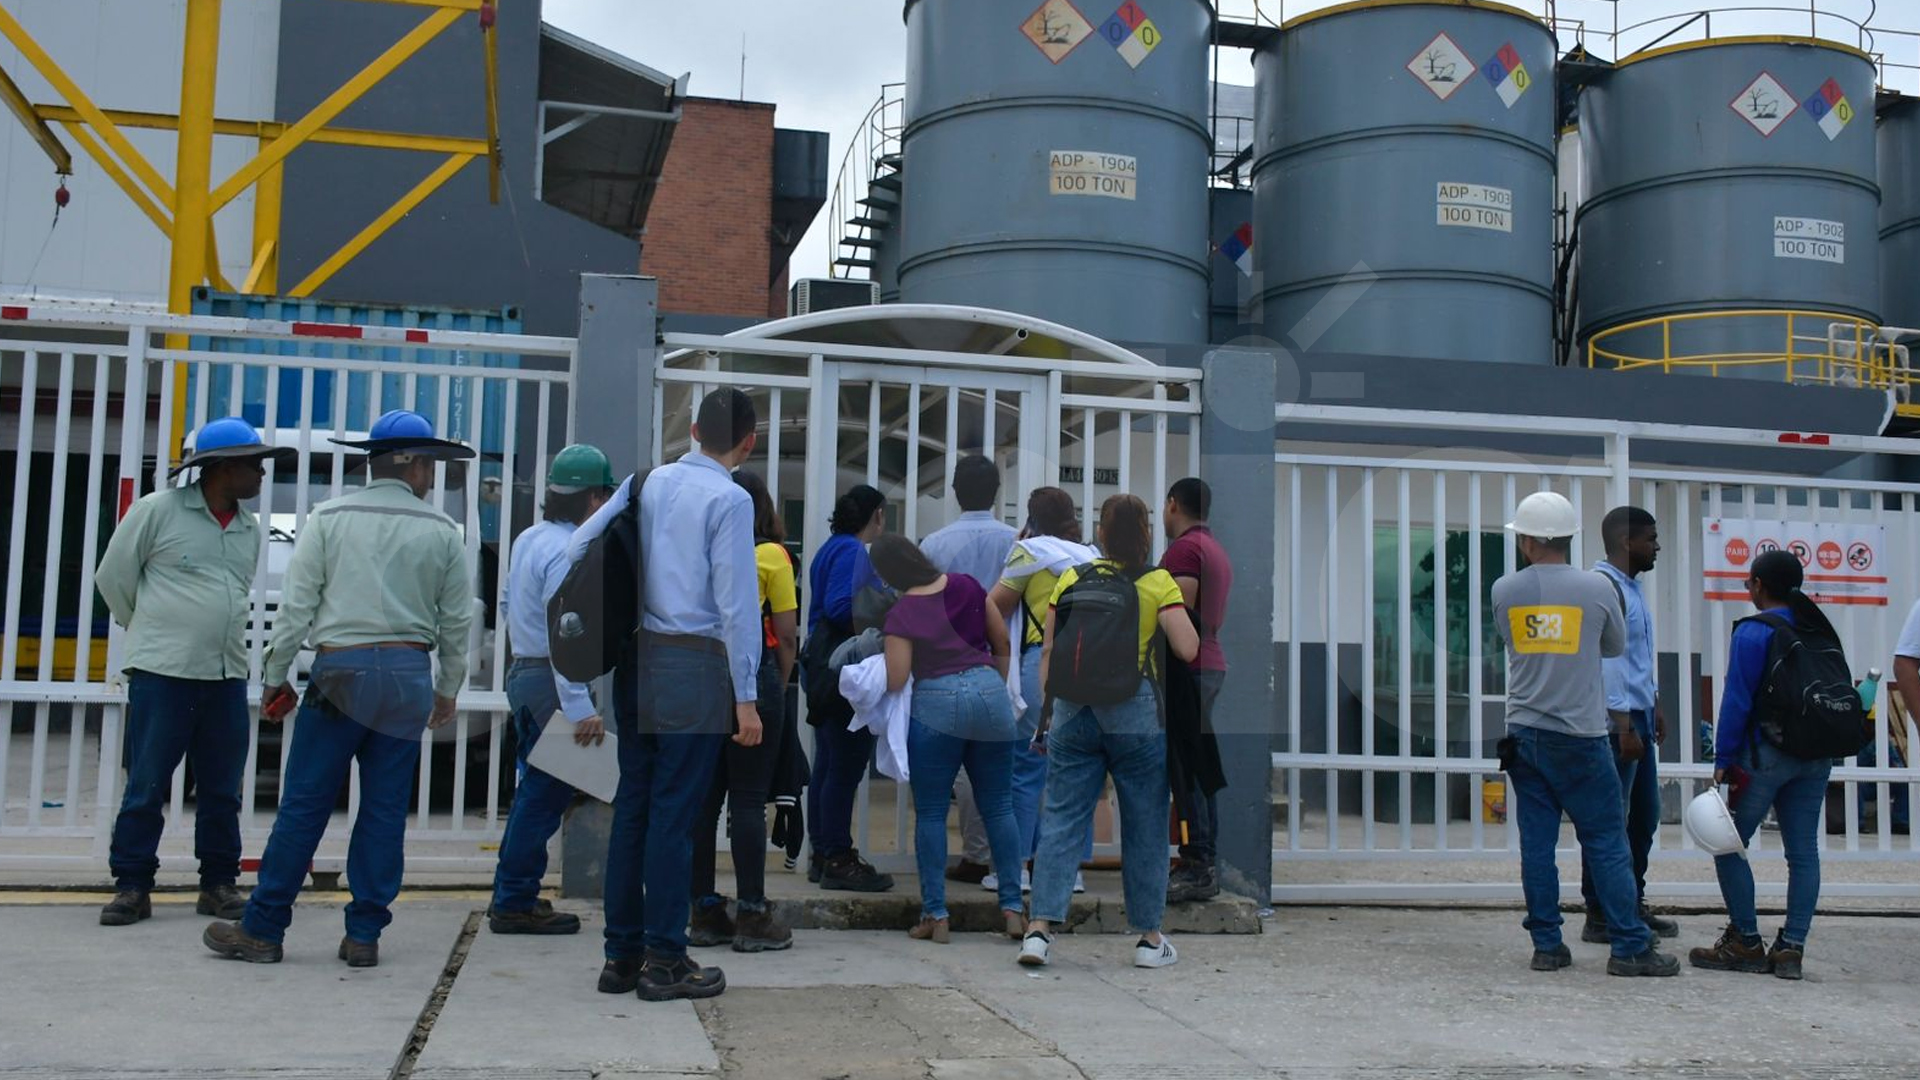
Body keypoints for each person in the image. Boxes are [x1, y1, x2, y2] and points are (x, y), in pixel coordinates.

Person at [204, 410, 474, 967]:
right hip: (407, 677)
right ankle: (364, 935)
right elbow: (455, 623)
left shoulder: (328, 518)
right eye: (430, 466)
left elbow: (296, 608)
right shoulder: (441, 532)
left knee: (304, 805)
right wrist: (447, 689)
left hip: (341, 672)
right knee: (382, 809)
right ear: (415, 464)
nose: (432, 477)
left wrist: (276, 676)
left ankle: (264, 929)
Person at [592, 387, 765, 1002]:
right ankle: (666, 959)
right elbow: (738, 604)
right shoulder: (730, 498)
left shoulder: (645, 483)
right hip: (694, 664)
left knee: (633, 808)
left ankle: (621, 956)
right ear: (749, 441)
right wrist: (747, 697)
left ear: (692, 430)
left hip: (636, 661)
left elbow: (577, 550)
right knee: (675, 816)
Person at [94, 418, 295, 927]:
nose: (262, 474)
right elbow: (113, 577)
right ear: (223, 467)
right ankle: (132, 887)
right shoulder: (157, 511)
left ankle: (218, 884)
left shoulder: (249, 530)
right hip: (163, 671)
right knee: (147, 784)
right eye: (255, 463)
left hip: (224, 674)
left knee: (222, 787)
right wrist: (153, 628)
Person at [1492, 491, 1675, 977]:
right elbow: (1613, 647)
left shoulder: (1504, 590)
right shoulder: (1598, 590)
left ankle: (1547, 946)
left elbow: (1510, 642)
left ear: (1527, 541)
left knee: (1537, 844)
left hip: (1525, 733)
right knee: (1607, 839)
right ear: (1570, 538)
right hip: (1581, 734)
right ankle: (1630, 947)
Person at [1019, 494, 1198, 971]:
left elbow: (1050, 650)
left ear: (1100, 532)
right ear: (1145, 533)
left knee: (1060, 819)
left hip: (1074, 712)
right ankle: (1148, 939)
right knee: (1144, 826)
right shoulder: (1157, 581)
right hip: (1135, 716)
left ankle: (1038, 932)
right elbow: (1186, 647)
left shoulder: (1074, 577)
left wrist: (1051, 711)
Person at [1688, 550, 1843, 981]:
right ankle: (1791, 948)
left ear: (1757, 584)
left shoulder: (1754, 632)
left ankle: (1746, 941)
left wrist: (1722, 759)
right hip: (1814, 758)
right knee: (1803, 854)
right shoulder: (1818, 627)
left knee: (1727, 843)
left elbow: (1737, 700)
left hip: (1764, 757)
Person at [486, 445, 618, 935]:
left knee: (533, 791)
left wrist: (527, 642)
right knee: (544, 793)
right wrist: (580, 705)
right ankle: (514, 900)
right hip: (552, 680)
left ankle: (513, 892)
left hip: (525, 672)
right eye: (604, 496)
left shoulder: (528, 539)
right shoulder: (571, 550)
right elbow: (567, 629)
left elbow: (507, 601)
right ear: (591, 499)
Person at [869, 533, 1025, 943]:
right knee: (1000, 805)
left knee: (934, 812)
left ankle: (936, 916)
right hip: (990, 694)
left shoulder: (901, 614)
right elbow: (1002, 639)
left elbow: (898, 676)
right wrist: (995, 684)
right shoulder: (967, 585)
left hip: (937, 703)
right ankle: (1012, 909)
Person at [686, 469, 795, 953]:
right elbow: (787, 632)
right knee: (749, 799)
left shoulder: (702, 552)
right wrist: (782, 682)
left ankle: (705, 913)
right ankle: (752, 912)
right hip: (755, 675)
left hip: (704, 676)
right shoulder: (773, 555)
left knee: (705, 802)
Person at [988, 487, 1097, 892]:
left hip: (1042, 664)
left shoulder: (1029, 554)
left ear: (1032, 520)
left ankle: (1014, 867)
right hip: (1088, 669)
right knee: (1073, 769)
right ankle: (1070, 870)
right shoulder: (1092, 556)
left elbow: (993, 605)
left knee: (1025, 766)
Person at [1577, 506, 1678, 945]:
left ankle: (1629, 900)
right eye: (1651, 538)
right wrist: (1623, 724)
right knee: (1610, 819)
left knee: (1644, 817)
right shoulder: (1605, 588)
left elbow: (1638, 655)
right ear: (1626, 542)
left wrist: (1653, 701)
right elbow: (1610, 662)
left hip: (1636, 713)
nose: (1656, 546)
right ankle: (1601, 912)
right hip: (1615, 720)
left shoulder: (1631, 588)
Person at [917, 454, 1017, 887]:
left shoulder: (934, 545)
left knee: (946, 781)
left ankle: (970, 858)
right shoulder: (1017, 541)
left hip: (944, 668)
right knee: (1004, 775)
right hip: (1001, 665)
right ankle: (1008, 871)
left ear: (955, 492)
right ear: (997, 492)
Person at [803, 483, 895, 892]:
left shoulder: (830, 548)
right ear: (876, 515)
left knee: (827, 764)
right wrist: (889, 605)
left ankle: (823, 853)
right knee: (843, 767)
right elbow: (842, 606)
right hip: (843, 668)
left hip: (821, 665)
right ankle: (838, 856)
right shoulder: (852, 551)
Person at [1160, 477, 1233, 904]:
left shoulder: (1186, 550)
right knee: (1198, 767)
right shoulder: (1213, 548)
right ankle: (1199, 859)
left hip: (1190, 667)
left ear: (1173, 504)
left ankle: (1197, 863)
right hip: (1207, 664)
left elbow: (1180, 613)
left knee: (1187, 772)